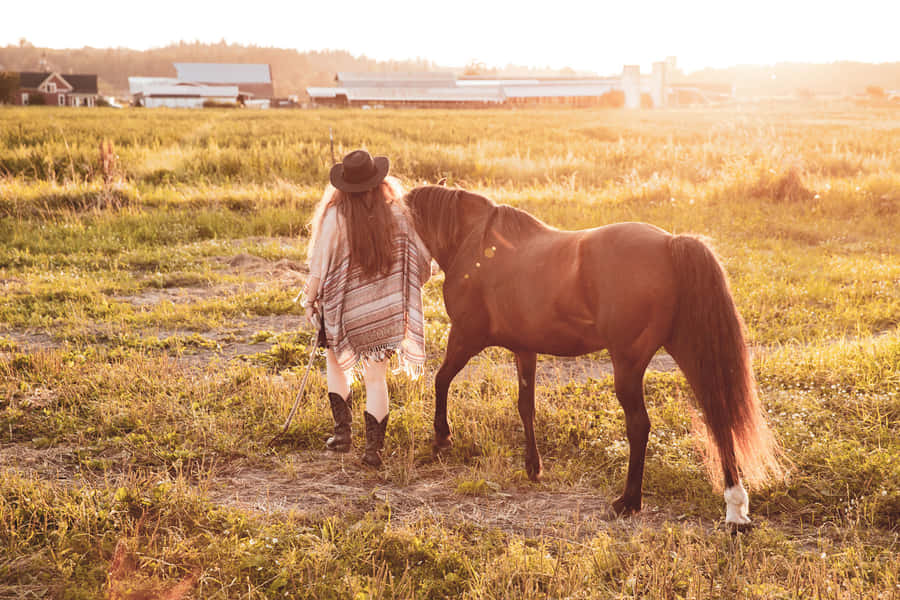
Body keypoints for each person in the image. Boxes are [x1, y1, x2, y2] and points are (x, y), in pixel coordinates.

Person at [301, 149, 431, 467]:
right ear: (378, 182)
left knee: (335, 363)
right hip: (385, 316)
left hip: (345, 315)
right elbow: (420, 262)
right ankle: (373, 451)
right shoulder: (398, 214)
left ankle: (342, 435)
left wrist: (309, 300)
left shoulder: (335, 216)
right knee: (376, 379)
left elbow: (319, 267)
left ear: (344, 186)